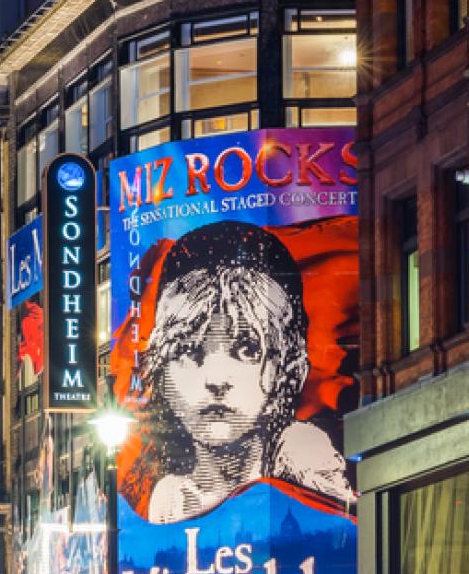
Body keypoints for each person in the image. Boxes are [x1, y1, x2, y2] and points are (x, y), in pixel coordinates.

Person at [122, 220, 352, 525]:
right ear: (159, 371)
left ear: (291, 369)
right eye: (189, 350)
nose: (216, 380)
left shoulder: (322, 489)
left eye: (247, 349)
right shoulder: (156, 502)